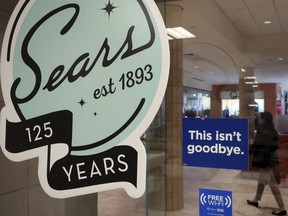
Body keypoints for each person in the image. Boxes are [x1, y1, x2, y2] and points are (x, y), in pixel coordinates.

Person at [247, 111, 286, 215]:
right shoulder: (273, 130)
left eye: (261, 118)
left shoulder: (262, 130)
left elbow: (256, 145)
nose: (259, 119)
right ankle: (256, 199)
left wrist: (247, 152)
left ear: (264, 119)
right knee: (261, 181)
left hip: (264, 161)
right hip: (269, 160)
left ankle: (282, 208)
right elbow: (273, 147)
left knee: (272, 184)